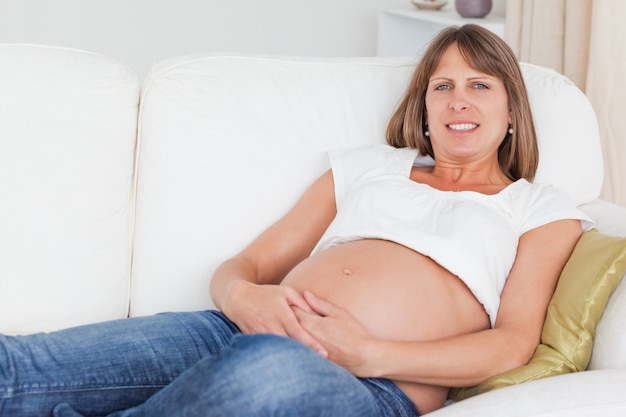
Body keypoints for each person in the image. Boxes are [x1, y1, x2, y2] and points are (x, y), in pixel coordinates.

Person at [0, 24, 594, 417]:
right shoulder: (369, 169)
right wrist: (243, 298)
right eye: (443, 86)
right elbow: (250, 265)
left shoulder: (539, 209)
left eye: (479, 85)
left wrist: (371, 353)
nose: (458, 100)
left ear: (511, 111)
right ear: (424, 107)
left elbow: (513, 343)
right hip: (236, 328)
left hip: (370, 382)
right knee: (21, 365)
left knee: (266, 372)